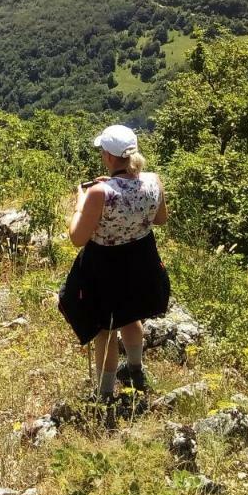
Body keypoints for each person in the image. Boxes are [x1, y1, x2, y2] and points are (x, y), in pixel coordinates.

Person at [67, 124, 170, 402]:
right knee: (131, 314)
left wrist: (81, 202)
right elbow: (160, 219)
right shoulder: (153, 180)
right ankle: (136, 369)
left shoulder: (100, 193)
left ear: (109, 157)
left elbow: (78, 237)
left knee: (106, 329)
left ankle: (105, 394)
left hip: (106, 265)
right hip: (141, 259)